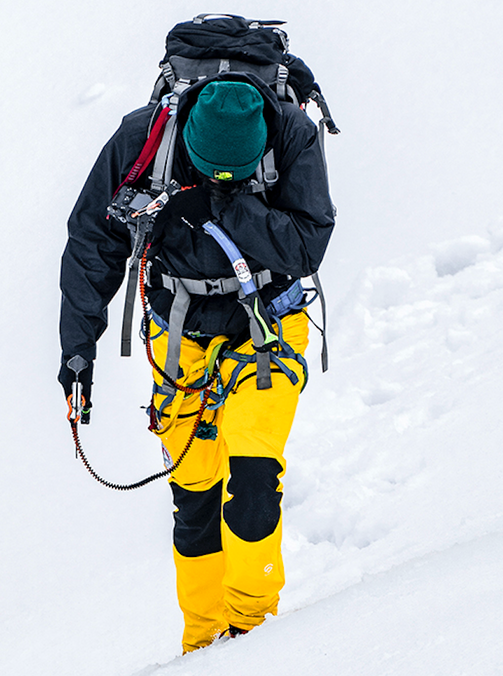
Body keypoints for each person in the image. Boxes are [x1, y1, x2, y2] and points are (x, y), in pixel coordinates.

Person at [59, 71, 335, 653]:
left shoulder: (292, 136)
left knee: (255, 475)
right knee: (194, 490)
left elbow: (307, 245)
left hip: (266, 324)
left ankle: (255, 635)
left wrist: (224, 207)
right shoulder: (143, 139)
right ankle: (202, 642)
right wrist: (78, 348)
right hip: (178, 330)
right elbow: (93, 242)